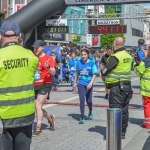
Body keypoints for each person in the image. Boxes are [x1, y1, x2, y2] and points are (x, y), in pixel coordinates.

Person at [0, 21, 38, 150]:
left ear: (0, 36)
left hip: (4, 117)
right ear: (19, 35)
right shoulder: (30, 56)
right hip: (25, 115)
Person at [102, 37, 133, 139]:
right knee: (124, 111)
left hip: (117, 88)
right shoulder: (128, 56)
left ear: (115, 44)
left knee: (115, 110)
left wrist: (102, 70)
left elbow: (105, 71)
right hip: (127, 87)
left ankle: (115, 133)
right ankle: (123, 132)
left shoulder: (115, 57)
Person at [33, 40, 56, 135]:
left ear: (42, 47)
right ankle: (50, 118)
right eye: (34, 48)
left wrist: (48, 68)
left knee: (38, 105)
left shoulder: (48, 58)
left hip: (45, 84)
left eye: (37, 48)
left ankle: (38, 127)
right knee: (36, 107)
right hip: (34, 84)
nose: (35, 49)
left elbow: (53, 72)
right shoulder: (32, 57)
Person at [74, 49, 98, 124]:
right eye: (82, 54)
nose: (83, 56)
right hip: (80, 83)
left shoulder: (92, 63)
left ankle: (90, 112)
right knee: (82, 99)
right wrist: (75, 83)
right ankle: (82, 116)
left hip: (89, 83)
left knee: (89, 101)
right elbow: (77, 73)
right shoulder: (78, 63)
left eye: (84, 54)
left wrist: (91, 83)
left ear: (88, 55)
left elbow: (94, 74)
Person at [134, 46, 150, 128]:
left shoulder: (146, 61)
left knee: (147, 104)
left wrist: (135, 65)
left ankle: (147, 123)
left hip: (147, 89)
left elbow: (138, 72)